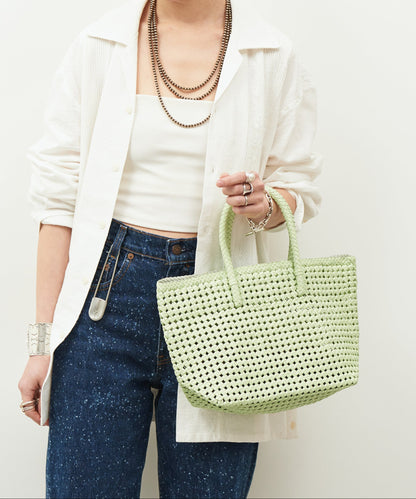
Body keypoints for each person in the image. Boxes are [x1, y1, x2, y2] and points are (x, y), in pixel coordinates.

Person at [18, 0, 323, 497]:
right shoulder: (100, 44)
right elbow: (57, 204)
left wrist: (264, 203)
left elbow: (298, 187)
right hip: (105, 304)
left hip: (224, 313)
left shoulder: (271, 54)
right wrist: (40, 346)